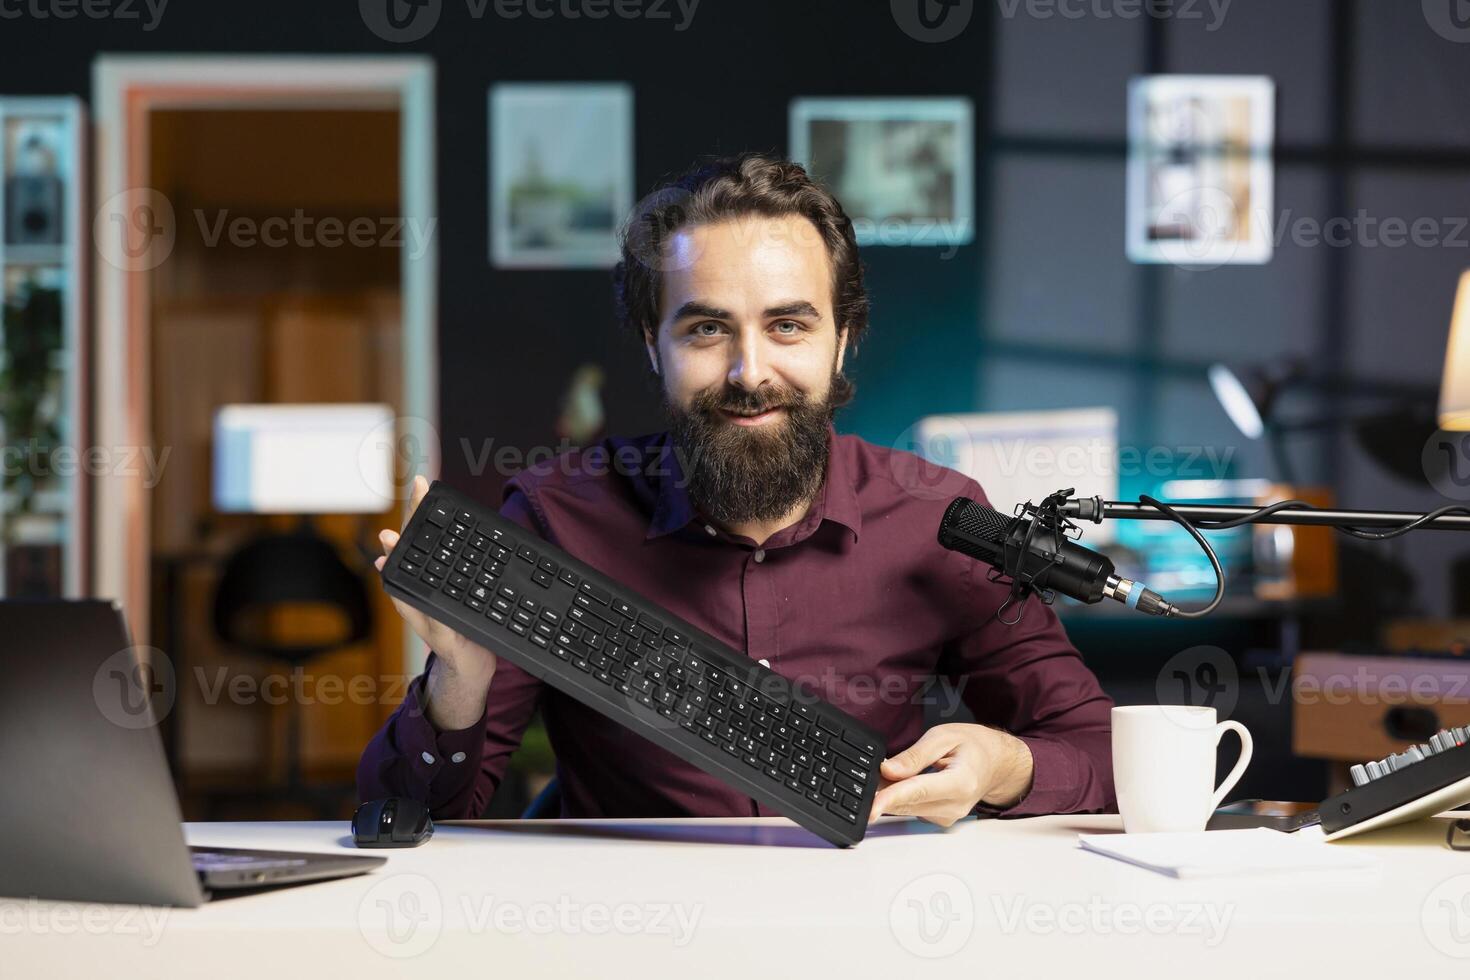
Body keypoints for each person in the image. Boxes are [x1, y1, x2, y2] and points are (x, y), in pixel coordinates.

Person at [359, 153, 1115, 827]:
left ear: (842, 339)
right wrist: (456, 684)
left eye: (787, 326)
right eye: (706, 330)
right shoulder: (559, 517)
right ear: (651, 346)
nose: (749, 373)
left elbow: (1100, 754)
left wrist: (1003, 766)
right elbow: (409, 814)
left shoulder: (938, 519)